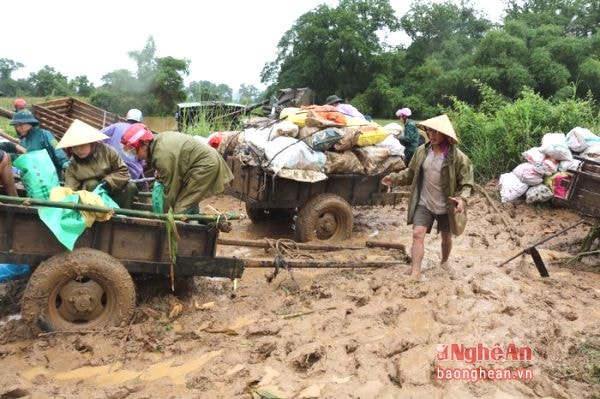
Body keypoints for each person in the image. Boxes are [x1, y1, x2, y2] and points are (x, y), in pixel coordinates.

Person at [381, 114, 474, 280]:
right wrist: (394, 178)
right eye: (430, 131)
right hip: (424, 202)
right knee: (417, 234)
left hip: (446, 205)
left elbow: (467, 183)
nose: (432, 134)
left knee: (446, 238)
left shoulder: (457, 157)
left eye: (437, 132)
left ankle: (444, 261)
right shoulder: (422, 151)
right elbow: (410, 173)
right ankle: (415, 271)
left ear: (446, 135)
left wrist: (462, 199)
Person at [121, 123, 234, 214]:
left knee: (180, 209)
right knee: (187, 200)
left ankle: (190, 237)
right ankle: (193, 223)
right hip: (201, 162)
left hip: (205, 166)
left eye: (133, 150)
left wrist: (164, 216)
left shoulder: (161, 155)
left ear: (144, 143)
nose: (134, 154)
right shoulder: (158, 142)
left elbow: (171, 190)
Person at [57, 119, 137, 208]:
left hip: (114, 192)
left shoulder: (108, 151)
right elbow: (69, 190)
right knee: (92, 184)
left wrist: (107, 183)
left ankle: (122, 216)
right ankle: (98, 218)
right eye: (75, 147)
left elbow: (124, 172)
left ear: (91, 143)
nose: (79, 150)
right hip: (91, 202)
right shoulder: (73, 165)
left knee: (131, 186)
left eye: (82, 145)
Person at [6, 110, 69, 176]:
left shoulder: (46, 134)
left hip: (53, 175)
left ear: (30, 123)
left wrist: (64, 163)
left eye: (21, 125)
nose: (18, 128)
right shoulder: (23, 142)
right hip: (34, 178)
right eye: (16, 126)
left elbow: (57, 148)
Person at [100, 108, 146, 183]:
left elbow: (99, 136)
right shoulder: (142, 132)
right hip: (131, 172)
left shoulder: (116, 126)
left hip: (109, 165)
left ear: (126, 118)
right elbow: (143, 157)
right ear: (140, 121)